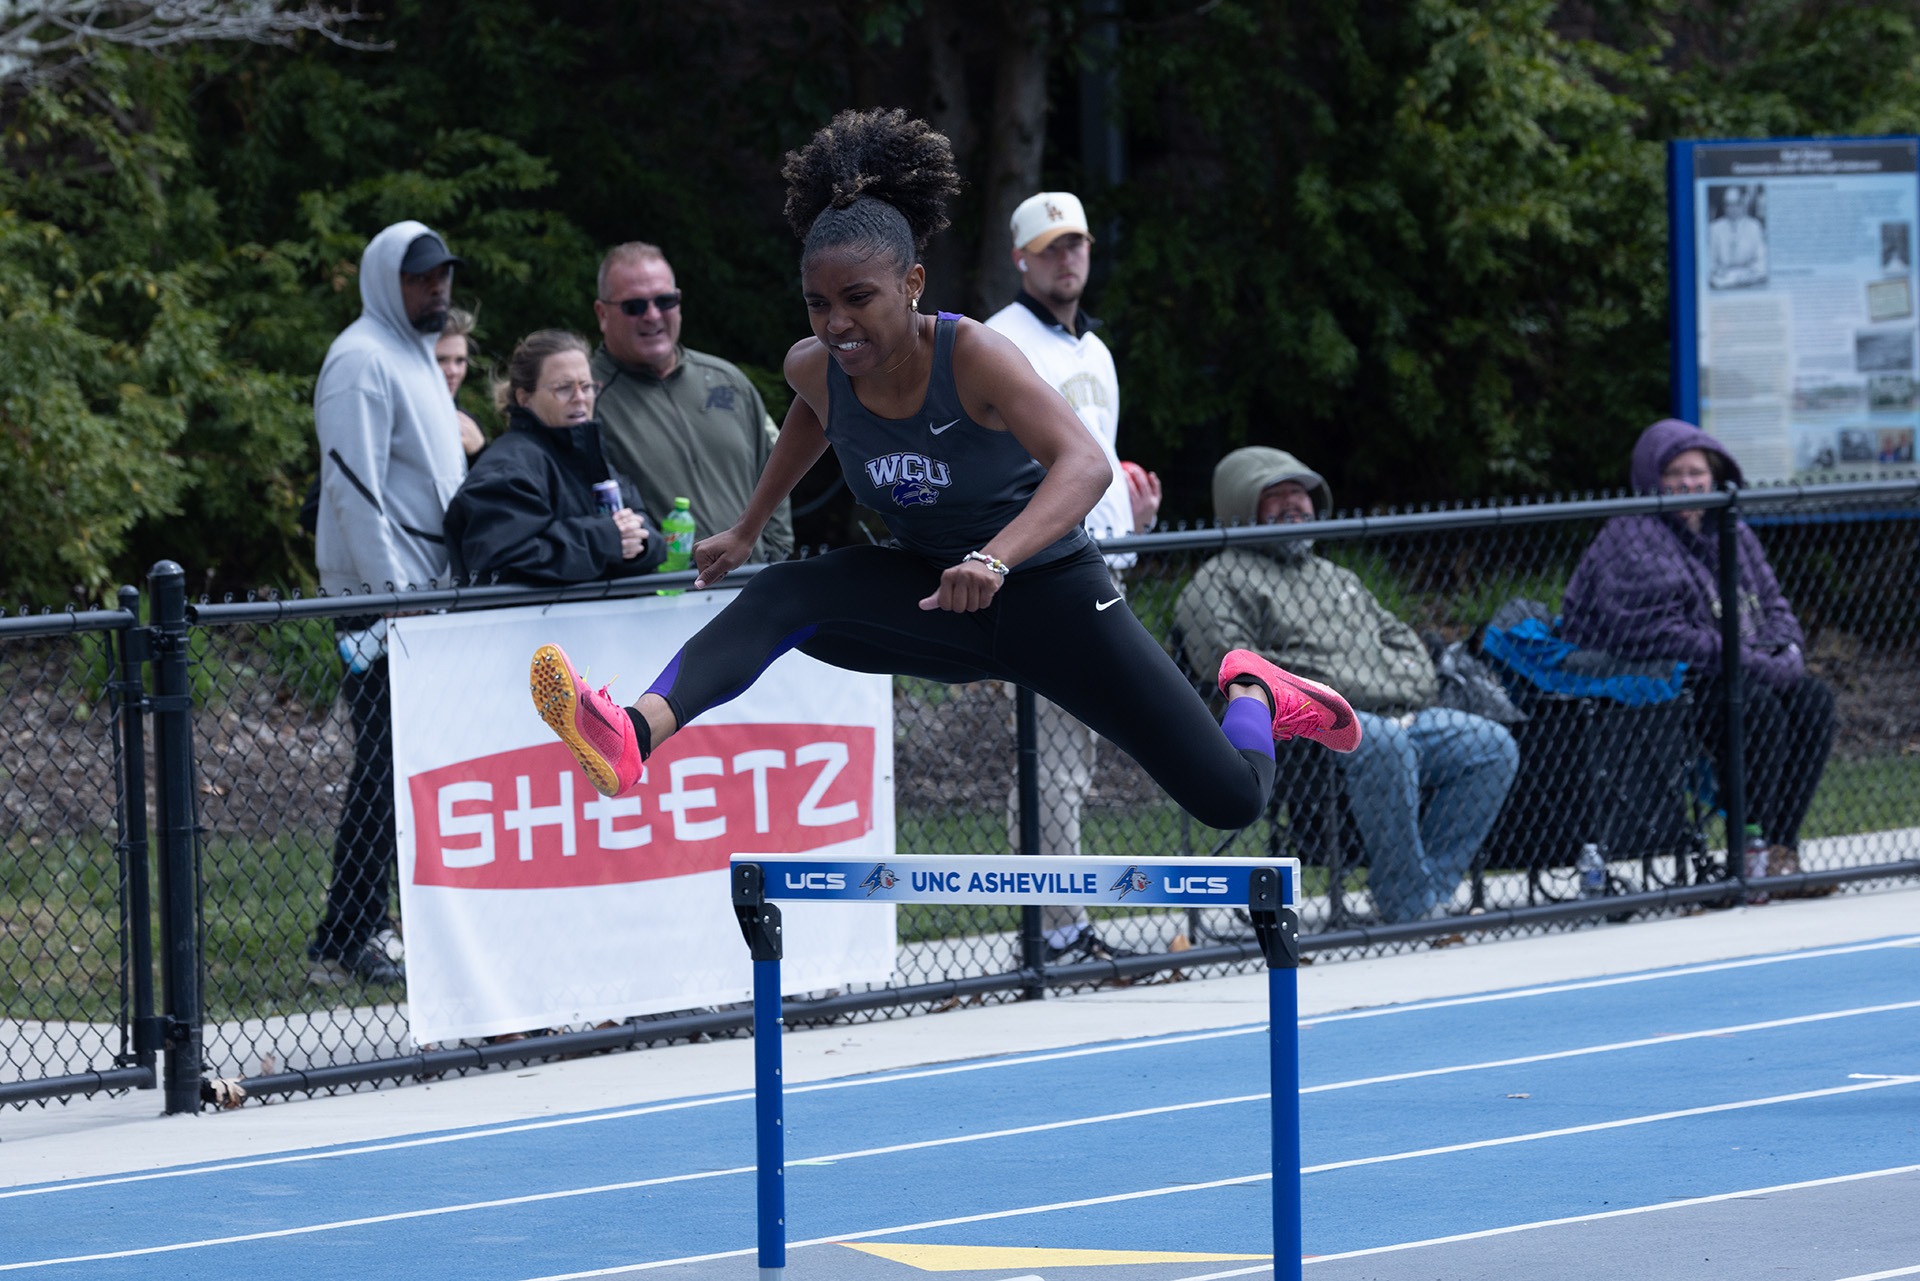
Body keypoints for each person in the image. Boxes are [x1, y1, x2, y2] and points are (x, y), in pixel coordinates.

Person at [527, 108, 1359, 893]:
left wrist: (998, 556)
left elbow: (1083, 466)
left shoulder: (975, 357)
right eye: (819, 304)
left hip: (1051, 600)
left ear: (913, 283)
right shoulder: (814, 364)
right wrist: (747, 527)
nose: (837, 325)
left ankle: (1253, 690)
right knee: (781, 594)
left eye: (859, 299)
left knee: (1231, 800)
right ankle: (632, 735)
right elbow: (811, 420)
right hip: (935, 595)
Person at [1174, 447, 1518, 924]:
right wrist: (1351, 690)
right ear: (1241, 503)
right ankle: (1412, 905)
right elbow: (1237, 670)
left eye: (1302, 493)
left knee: (1491, 746)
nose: (1296, 504)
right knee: (1386, 741)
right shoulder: (1218, 581)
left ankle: (1428, 890)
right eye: (1277, 496)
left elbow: (1411, 653)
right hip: (1306, 735)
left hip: (1396, 716)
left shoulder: (1336, 577)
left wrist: (1359, 686)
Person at [983, 189, 1163, 960]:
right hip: (1041, 574)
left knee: (1070, 755)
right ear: (1021, 258)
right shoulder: (1000, 341)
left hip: (1099, 569)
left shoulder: (1094, 349)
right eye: (1051, 246)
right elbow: (1001, 466)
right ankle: (1051, 926)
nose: (1068, 257)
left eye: (1077, 244)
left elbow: (1092, 458)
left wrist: (1131, 511)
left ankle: (1056, 920)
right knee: (1048, 756)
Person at [1560, 418, 1836, 884]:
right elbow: (1657, 634)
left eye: (1697, 472)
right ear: (1652, 478)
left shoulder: (1731, 528)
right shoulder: (1633, 535)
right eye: (1674, 474)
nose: (1688, 484)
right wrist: (1754, 663)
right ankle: (1746, 851)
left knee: (1813, 700)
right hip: (1659, 679)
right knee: (1756, 709)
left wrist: (1788, 651)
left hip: (1735, 666)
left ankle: (1780, 848)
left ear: (1714, 477)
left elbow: (1772, 604)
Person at [311, 220, 470, 985]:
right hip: (384, 607)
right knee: (383, 763)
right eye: (420, 277)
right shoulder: (359, 361)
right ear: (384, 280)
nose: (436, 288)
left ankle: (385, 920)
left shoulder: (411, 358)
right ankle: (349, 932)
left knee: (410, 764)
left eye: (442, 275)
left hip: (425, 602)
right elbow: (353, 486)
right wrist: (390, 599)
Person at [591, 242, 795, 564]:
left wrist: (773, 554)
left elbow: (776, 469)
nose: (652, 315)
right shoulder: (586, 400)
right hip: (659, 598)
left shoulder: (728, 379)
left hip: (751, 586)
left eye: (665, 301)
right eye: (634, 306)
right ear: (602, 314)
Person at [444, 329, 665, 585]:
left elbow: (650, 538)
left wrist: (637, 543)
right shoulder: (507, 468)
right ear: (524, 398)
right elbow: (502, 561)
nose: (580, 398)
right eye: (563, 388)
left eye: (587, 386)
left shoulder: (591, 455)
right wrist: (606, 539)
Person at [434, 306, 489, 460]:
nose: (453, 371)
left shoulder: (469, 426)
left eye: (460, 361)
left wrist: (480, 452)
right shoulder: (399, 420)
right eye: (441, 360)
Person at [1708, 183, 1768, 290]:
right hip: (1723, 284)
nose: (1732, 208)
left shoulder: (1754, 226)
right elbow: (1709, 261)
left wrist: (1744, 273)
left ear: (1742, 204)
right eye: (1728, 204)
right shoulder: (1714, 228)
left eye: (1736, 203)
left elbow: (1762, 260)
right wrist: (1719, 271)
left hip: (1749, 283)